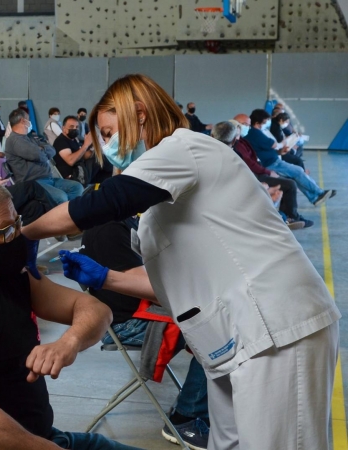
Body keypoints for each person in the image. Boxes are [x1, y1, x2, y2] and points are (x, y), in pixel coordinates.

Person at [21, 74, 341, 450]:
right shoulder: (160, 197)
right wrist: (108, 277)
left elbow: (101, 203)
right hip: (231, 342)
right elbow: (173, 280)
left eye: (108, 132)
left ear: (139, 114)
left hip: (275, 326)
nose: (106, 146)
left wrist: (25, 234)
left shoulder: (183, 149)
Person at [0, 177, 138, 450]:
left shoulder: (8, 274)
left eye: (17, 223)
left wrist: (69, 342)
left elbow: (96, 310)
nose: (18, 237)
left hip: (41, 437)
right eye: (7, 232)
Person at [66, 217, 210, 450]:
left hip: (141, 312)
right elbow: (154, 290)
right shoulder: (109, 228)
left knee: (217, 318)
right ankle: (187, 417)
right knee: (218, 333)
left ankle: (196, 403)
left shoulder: (125, 222)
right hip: (131, 322)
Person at [215, 118, 311, 229]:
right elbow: (246, 169)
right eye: (244, 125)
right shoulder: (233, 150)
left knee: (290, 180)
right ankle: (286, 217)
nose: (245, 128)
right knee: (289, 182)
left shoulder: (242, 142)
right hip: (254, 176)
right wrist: (263, 184)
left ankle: (286, 217)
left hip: (258, 172)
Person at [243, 109, 334, 206]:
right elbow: (273, 144)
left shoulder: (258, 132)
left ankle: (314, 198)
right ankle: (318, 192)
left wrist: (279, 151)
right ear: (258, 122)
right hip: (271, 163)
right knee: (298, 171)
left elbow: (265, 148)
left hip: (273, 160)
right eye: (265, 122)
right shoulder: (255, 133)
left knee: (295, 176)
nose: (267, 124)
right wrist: (286, 141)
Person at [5, 108, 84, 205]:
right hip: (33, 183)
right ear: (23, 121)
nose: (30, 122)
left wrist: (41, 149)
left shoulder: (29, 137)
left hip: (48, 179)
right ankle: (63, 215)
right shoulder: (15, 141)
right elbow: (40, 155)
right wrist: (41, 149)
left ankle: (69, 212)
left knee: (77, 187)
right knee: (61, 197)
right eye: (28, 119)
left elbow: (51, 149)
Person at [53, 115, 111, 186]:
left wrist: (95, 148)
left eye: (77, 127)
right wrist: (85, 145)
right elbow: (70, 161)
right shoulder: (61, 141)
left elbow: (83, 156)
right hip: (74, 176)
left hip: (82, 170)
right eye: (71, 127)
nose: (75, 129)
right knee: (99, 159)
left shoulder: (73, 140)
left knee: (101, 160)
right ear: (63, 128)